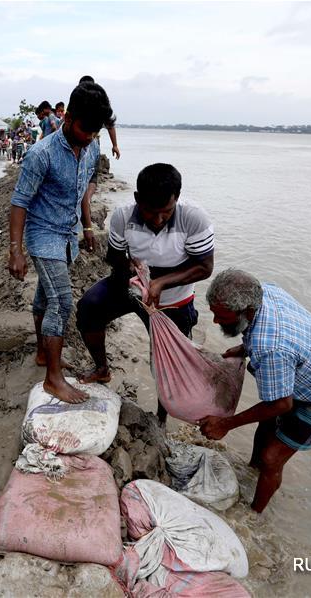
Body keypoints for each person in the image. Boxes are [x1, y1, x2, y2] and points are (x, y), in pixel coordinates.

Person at [199, 269, 311, 513]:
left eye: (222, 317)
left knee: (272, 458)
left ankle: (254, 514)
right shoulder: (267, 292)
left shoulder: (270, 347)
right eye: (214, 314)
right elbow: (264, 332)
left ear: (247, 311)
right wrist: (244, 347)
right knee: (266, 425)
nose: (215, 321)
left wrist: (226, 424)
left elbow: (280, 404)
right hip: (309, 373)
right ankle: (251, 471)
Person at [77, 163, 214, 424]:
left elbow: (204, 267)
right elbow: (113, 256)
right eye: (151, 212)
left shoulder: (194, 218)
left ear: (177, 198)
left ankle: (162, 418)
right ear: (138, 199)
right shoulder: (122, 217)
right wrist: (131, 269)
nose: (158, 219)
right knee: (89, 307)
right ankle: (102, 369)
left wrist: (161, 283)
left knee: (168, 362)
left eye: (166, 212)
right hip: (132, 287)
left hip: (174, 301)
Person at [8, 82, 113, 404]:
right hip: (42, 235)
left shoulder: (92, 145)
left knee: (45, 296)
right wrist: (16, 251)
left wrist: (88, 227)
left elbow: (84, 189)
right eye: (85, 129)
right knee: (63, 301)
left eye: (96, 131)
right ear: (67, 118)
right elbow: (19, 201)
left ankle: (43, 353)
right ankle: (53, 378)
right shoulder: (41, 153)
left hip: (67, 235)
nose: (90, 136)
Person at [78, 76, 120, 159]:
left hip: (92, 143)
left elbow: (110, 124)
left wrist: (115, 145)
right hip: (77, 143)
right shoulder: (76, 102)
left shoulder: (100, 105)